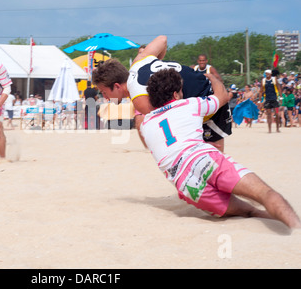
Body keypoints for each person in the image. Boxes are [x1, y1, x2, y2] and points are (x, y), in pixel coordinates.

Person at [140, 68, 300, 229]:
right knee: (265, 194)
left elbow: (169, 146)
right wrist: (213, 78)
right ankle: (296, 228)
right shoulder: (190, 104)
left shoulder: (145, 125)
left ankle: (273, 220)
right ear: (175, 95)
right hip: (204, 159)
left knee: (249, 211)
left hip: (186, 184)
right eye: (181, 91)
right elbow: (222, 97)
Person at [92, 35, 232, 152]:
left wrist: (196, 145)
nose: (104, 97)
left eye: (104, 92)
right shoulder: (138, 61)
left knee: (215, 168)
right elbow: (162, 39)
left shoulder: (140, 99)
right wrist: (158, 64)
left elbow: (174, 121)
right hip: (201, 90)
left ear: (117, 86)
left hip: (211, 100)